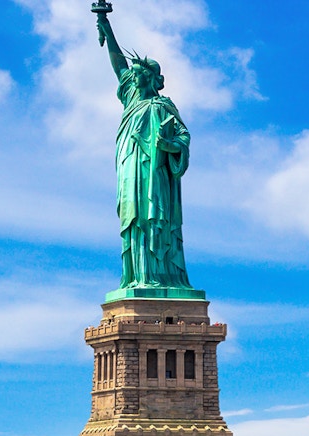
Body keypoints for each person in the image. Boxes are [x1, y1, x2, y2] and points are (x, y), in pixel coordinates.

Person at [94, 11, 193, 292]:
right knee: (134, 218)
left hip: (156, 171)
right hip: (131, 166)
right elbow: (119, 66)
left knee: (156, 218)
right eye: (134, 75)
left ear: (150, 78)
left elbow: (183, 137)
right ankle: (136, 276)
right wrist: (107, 28)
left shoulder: (164, 107)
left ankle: (162, 276)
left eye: (138, 75)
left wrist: (170, 145)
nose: (133, 78)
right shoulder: (132, 98)